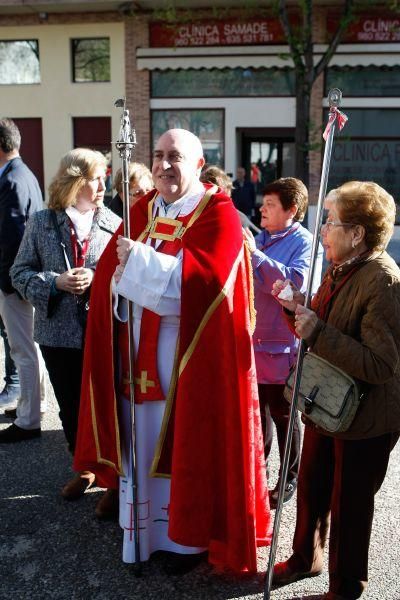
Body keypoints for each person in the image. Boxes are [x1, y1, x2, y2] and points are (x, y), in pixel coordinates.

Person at [74, 128, 271, 575]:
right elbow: (108, 277)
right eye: (158, 155)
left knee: (186, 445)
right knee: (140, 445)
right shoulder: (141, 208)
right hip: (135, 349)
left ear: (199, 165)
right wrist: (117, 280)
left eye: (175, 157)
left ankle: (186, 540)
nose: (163, 165)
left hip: (185, 356)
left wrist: (137, 262)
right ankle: (143, 531)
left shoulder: (218, 212)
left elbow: (205, 284)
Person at [271, 181, 400, 600]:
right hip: (328, 405)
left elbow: (380, 365)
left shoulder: (383, 280)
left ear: (358, 233)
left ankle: (345, 589)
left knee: (349, 504)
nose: (323, 229)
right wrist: (297, 308)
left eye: (331, 221)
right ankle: (306, 558)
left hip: (367, 417)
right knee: (312, 484)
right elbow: (324, 326)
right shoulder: (341, 266)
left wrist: (318, 330)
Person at [11, 148, 121, 509]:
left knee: (107, 404)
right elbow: (19, 272)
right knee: (71, 406)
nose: (103, 185)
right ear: (75, 180)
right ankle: (84, 467)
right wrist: (55, 281)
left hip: (102, 332)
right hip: (57, 334)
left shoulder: (114, 224)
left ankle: (114, 480)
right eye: (96, 178)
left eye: (105, 177)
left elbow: (127, 277)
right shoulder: (42, 222)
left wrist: (98, 277)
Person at [243, 178, 322, 508]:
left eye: (271, 204)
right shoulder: (261, 236)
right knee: (256, 416)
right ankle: (257, 476)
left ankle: (289, 478)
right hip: (251, 343)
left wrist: (257, 259)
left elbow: (295, 292)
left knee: (284, 415)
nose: (262, 208)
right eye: (264, 202)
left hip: (281, 347)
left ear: (292, 210)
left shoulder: (305, 243)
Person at [0, 118, 46, 442]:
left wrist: (7, 282)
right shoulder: (22, 174)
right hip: (23, 277)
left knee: (23, 349)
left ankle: (29, 420)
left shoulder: (13, 180)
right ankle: (33, 405)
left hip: (14, 280)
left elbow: (13, 238)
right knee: (29, 348)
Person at [200, 165, 260, 234]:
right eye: (238, 172)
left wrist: (252, 208)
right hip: (236, 209)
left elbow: (253, 196)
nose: (239, 174)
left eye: (241, 172)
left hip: (246, 210)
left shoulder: (249, 184)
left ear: (244, 173)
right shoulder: (233, 184)